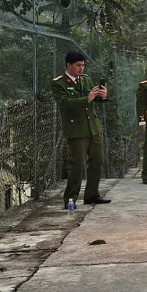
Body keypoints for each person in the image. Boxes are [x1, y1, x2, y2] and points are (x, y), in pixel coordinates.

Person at [51, 50, 111, 207]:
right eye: (78, 65)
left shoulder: (86, 79)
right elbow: (65, 103)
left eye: (83, 65)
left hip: (93, 127)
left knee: (97, 162)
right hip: (76, 130)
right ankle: (70, 199)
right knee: (77, 165)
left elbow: (95, 99)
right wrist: (87, 98)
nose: (81, 69)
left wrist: (103, 96)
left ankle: (92, 194)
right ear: (69, 65)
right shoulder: (59, 83)